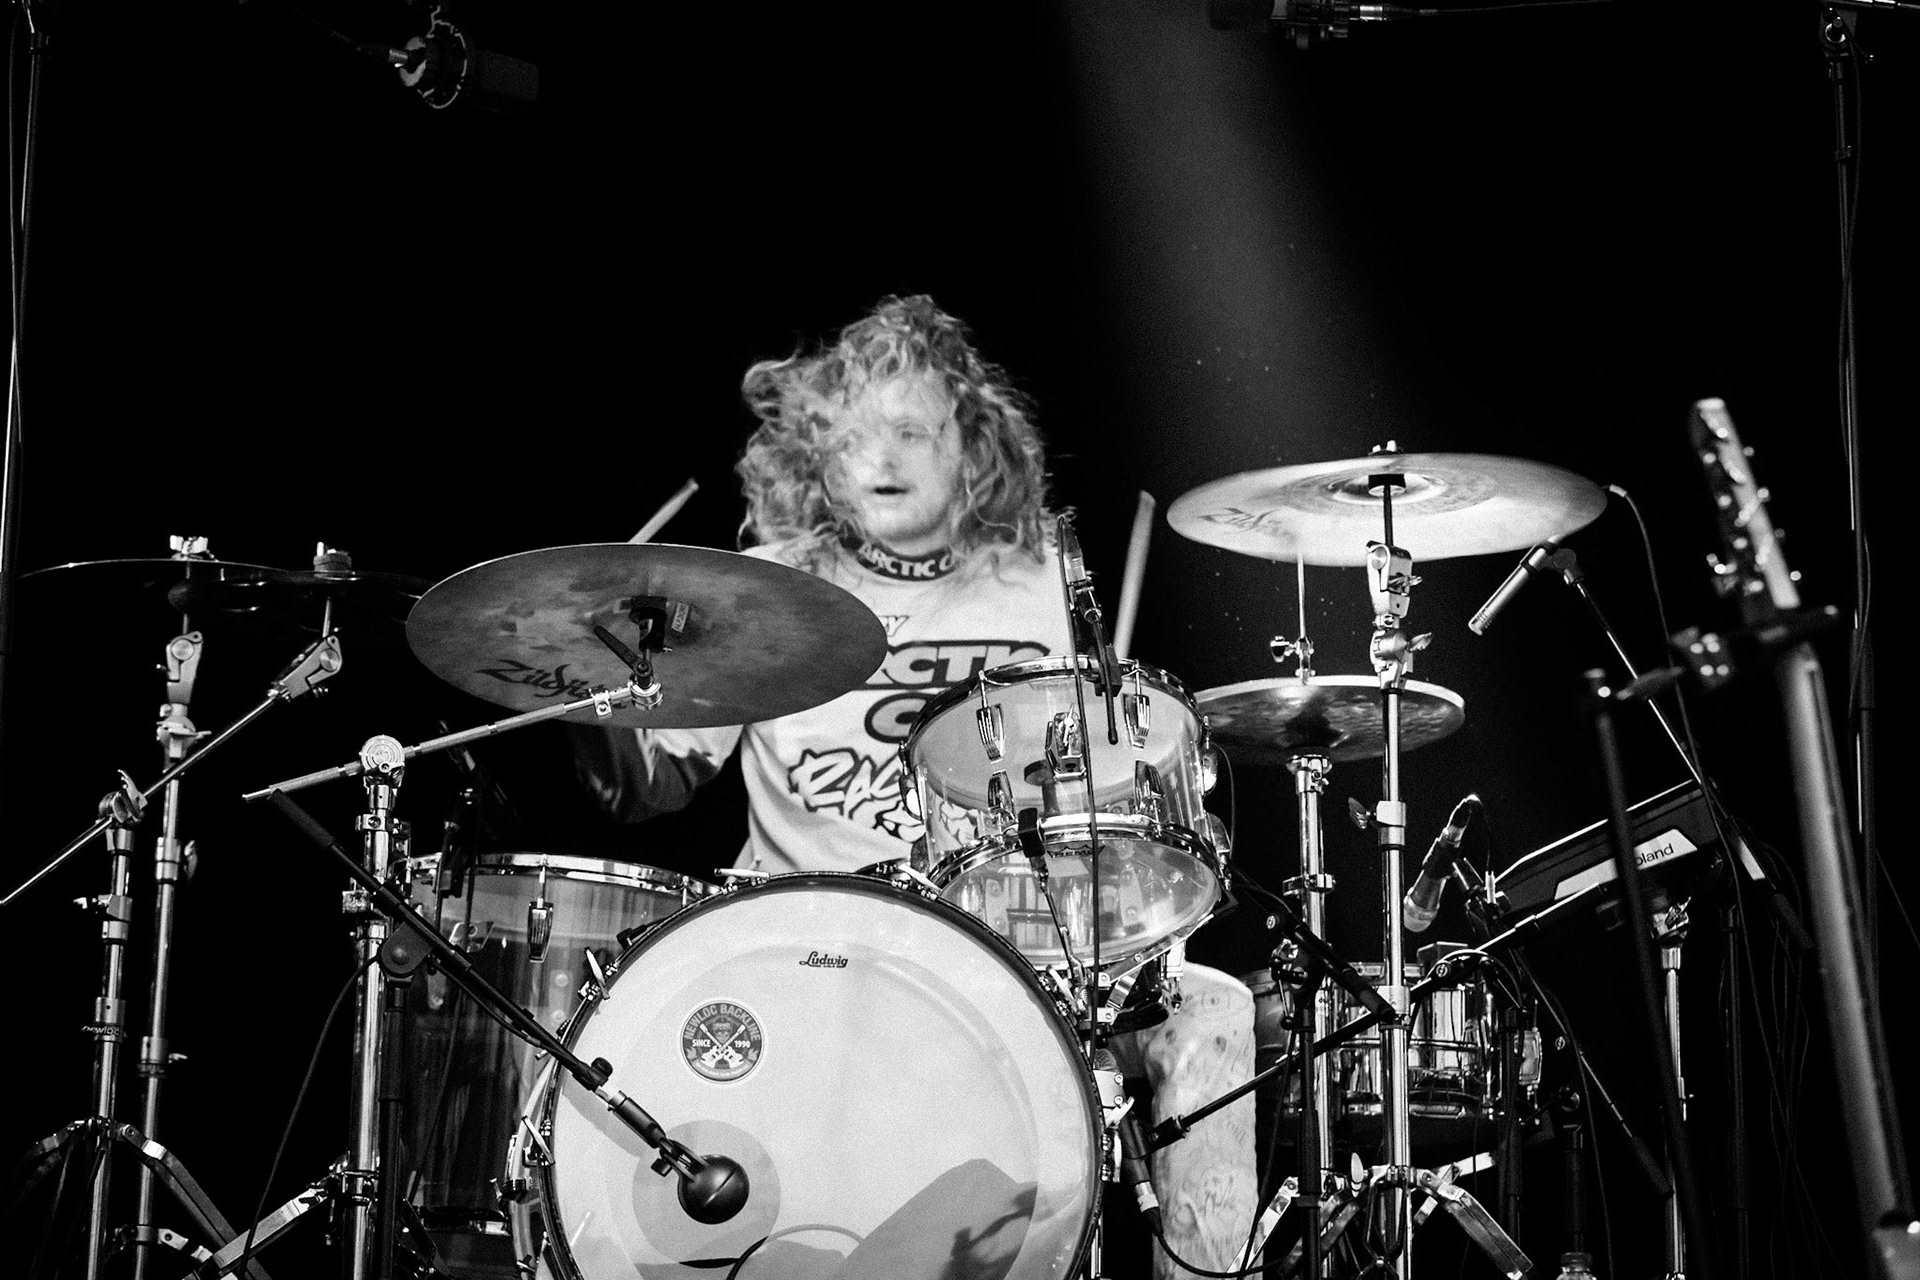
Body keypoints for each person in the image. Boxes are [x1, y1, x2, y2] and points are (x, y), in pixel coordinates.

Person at [574, 294, 1074, 875]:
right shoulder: (764, 585)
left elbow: (1096, 784)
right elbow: (648, 788)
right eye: (856, 437)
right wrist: (584, 666)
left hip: (990, 916)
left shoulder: (1044, 580)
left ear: (972, 448)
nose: (882, 460)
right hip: (804, 920)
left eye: (910, 433)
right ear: (824, 459)